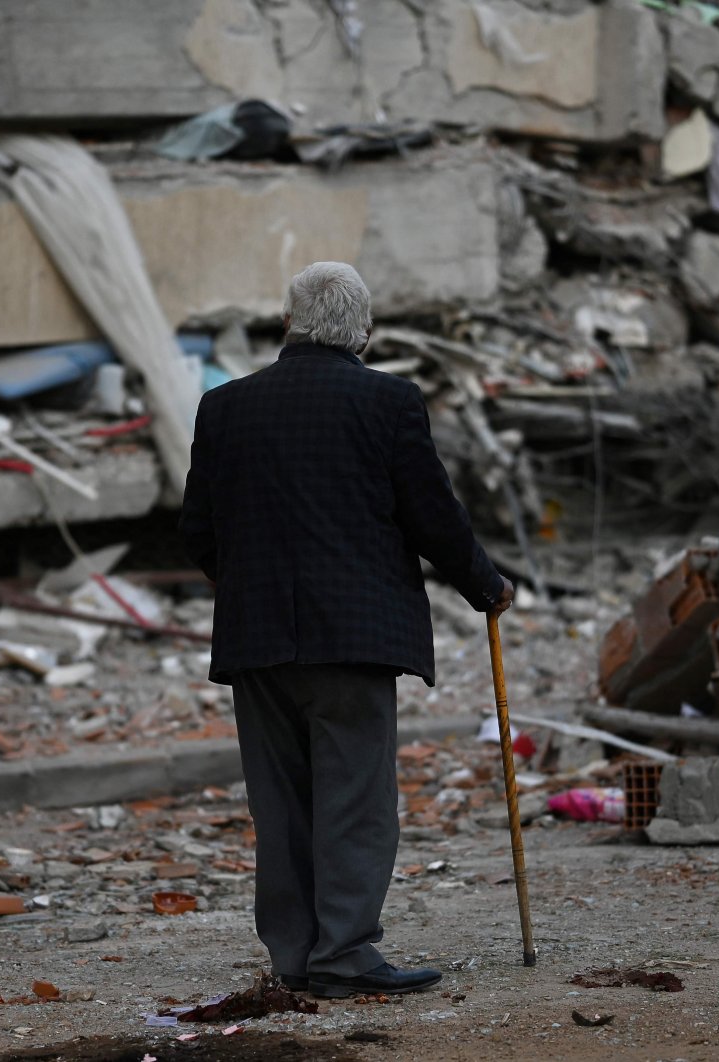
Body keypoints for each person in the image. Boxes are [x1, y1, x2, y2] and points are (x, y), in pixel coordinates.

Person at [179, 261, 513, 999]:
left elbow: (198, 530)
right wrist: (485, 587)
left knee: (281, 803)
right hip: (355, 637)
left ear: (288, 321)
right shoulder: (387, 401)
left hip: (258, 638)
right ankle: (346, 955)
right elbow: (434, 515)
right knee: (354, 801)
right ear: (364, 331)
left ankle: (295, 957)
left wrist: (248, 584)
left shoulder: (223, 405)